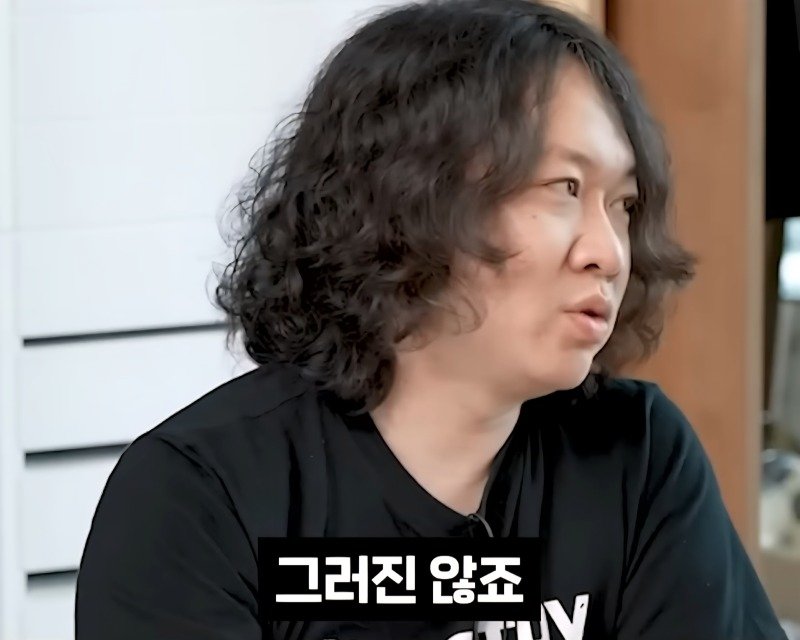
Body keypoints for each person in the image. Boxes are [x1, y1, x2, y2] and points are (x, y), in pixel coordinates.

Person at [74, 1, 788, 639]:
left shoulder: (638, 455)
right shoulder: (199, 498)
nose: (609, 252)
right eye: (564, 187)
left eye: (623, 205)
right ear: (408, 198)